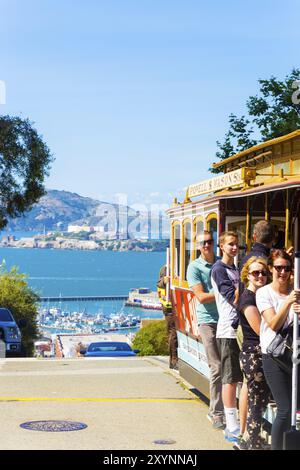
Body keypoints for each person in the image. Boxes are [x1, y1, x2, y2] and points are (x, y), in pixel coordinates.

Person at [256, 249, 300, 450]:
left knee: (294, 408)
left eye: (286, 268)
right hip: (273, 357)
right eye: (278, 268)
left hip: (294, 355)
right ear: (271, 269)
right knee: (284, 408)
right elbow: (273, 323)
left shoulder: (296, 291)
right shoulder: (264, 293)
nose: (282, 272)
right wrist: (289, 302)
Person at [187, 230, 225, 430]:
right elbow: (200, 297)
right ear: (197, 246)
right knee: (217, 367)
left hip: (227, 320)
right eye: (202, 243)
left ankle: (230, 409)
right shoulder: (194, 267)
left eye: (209, 242)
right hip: (208, 321)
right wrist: (224, 290)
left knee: (230, 366)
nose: (206, 246)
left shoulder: (222, 263)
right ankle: (216, 413)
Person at [211, 231, 243, 443]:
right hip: (228, 330)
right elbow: (233, 298)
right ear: (222, 246)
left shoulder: (235, 269)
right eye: (230, 244)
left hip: (240, 329)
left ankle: (237, 419)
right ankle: (231, 424)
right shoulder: (219, 270)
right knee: (230, 378)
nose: (234, 248)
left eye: (236, 245)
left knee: (239, 377)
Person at [238, 256, 272, 449]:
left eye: (263, 273)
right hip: (254, 355)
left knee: (260, 400)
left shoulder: (262, 296)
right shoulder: (248, 299)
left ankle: (252, 440)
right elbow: (260, 329)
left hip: (260, 353)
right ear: (247, 276)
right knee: (257, 401)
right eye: (255, 273)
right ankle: (252, 443)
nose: (260, 276)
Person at [157, 265, 178, 370]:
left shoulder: (171, 266)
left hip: (172, 306)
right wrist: (165, 281)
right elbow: (160, 282)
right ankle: (174, 360)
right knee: (173, 333)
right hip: (169, 308)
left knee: (173, 333)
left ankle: (173, 360)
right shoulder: (166, 268)